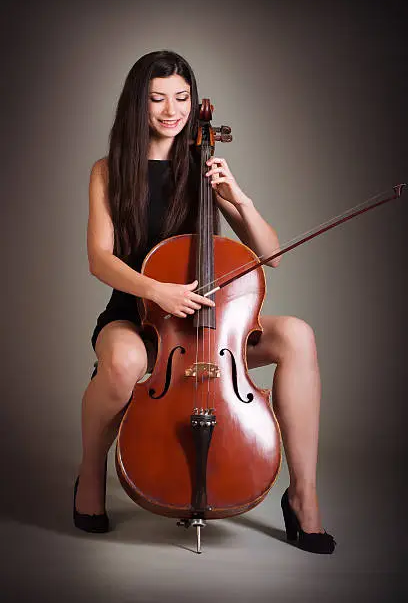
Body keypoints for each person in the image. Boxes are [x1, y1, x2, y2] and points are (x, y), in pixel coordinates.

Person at [74, 50, 335, 554]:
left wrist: (239, 197)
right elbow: (98, 259)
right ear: (137, 103)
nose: (171, 110)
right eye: (157, 98)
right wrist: (157, 291)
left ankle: (303, 495)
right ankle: (89, 476)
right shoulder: (108, 171)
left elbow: (271, 254)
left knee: (298, 335)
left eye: (182, 97)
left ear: (194, 102)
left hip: (212, 330)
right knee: (126, 361)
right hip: (137, 314)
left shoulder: (203, 165)